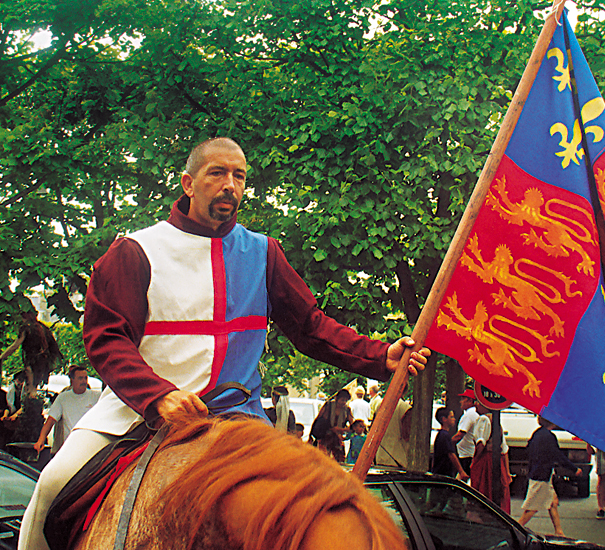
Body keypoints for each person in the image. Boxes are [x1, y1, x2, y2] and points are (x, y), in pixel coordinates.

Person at [19, 137, 429, 550]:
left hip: (239, 419)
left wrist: (379, 355)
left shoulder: (264, 252)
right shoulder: (136, 250)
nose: (230, 184)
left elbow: (311, 327)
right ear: (188, 183)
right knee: (51, 486)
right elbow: (107, 339)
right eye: (217, 173)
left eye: (239, 176)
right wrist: (159, 396)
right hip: (136, 416)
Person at [518, 416, 582, 537]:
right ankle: (515, 528)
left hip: (538, 473)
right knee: (532, 507)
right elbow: (558, 455)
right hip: (542, 475)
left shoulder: (537, 434)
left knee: (553, 502)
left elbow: (528, 450)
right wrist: (574, 469)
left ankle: (559, 531)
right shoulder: (550, 437)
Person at [32, 365, 101, 455]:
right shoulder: (63, 397)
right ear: (72, 380)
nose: (84, 381)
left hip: (91, 446)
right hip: (70, 447)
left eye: (85, 378)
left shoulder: (97, 396)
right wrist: (40, 440)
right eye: (80, 378)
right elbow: (50, 421)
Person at [0, 311, 63, 390]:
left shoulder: (26, 328)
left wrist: (2, 356)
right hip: (44, 363)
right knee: (34, 386)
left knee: (30, 387)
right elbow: (54, 347)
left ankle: (30, 398)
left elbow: (15, 345)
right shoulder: (43, 327)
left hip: (32, 362)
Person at [312, 389, 353, 462]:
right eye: (342, 400)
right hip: (324, 437)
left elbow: (353, 426)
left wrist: (340, 430)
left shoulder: (347, 410)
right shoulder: (328, 406)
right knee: (322, 459)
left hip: (337, 438)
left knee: (339, 460)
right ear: (337, 399)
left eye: (345, 400)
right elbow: (319, 419)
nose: (343, 402)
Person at [375, 393, 412, 468]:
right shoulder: (405, 408)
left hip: (381, 455)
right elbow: (407, 435)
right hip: (398, 458)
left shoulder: (380, 406)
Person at [431, 407, 468, 480]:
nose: (454, 419)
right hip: (443, 474)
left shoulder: (441, 435)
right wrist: (461, 471)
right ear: (444, 419)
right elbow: (451, 454)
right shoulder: (444, 435)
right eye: (451, 417)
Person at [470, 400, 494, 500]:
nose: (475, 404)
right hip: (488, 456)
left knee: (479, 486)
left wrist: (475, 459)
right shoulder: (492, 419)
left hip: (483, 457)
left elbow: (481, 442)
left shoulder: (483, 419)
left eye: (478, 402)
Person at [451, 389, 479, 475]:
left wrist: (447, 444)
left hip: (467, 455)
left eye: (463, 399)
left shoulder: (469, 415)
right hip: (468, 454)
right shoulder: (474, 413)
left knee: (463, 479)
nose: (460, 402)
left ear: (470, 400)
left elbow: (460, 435)